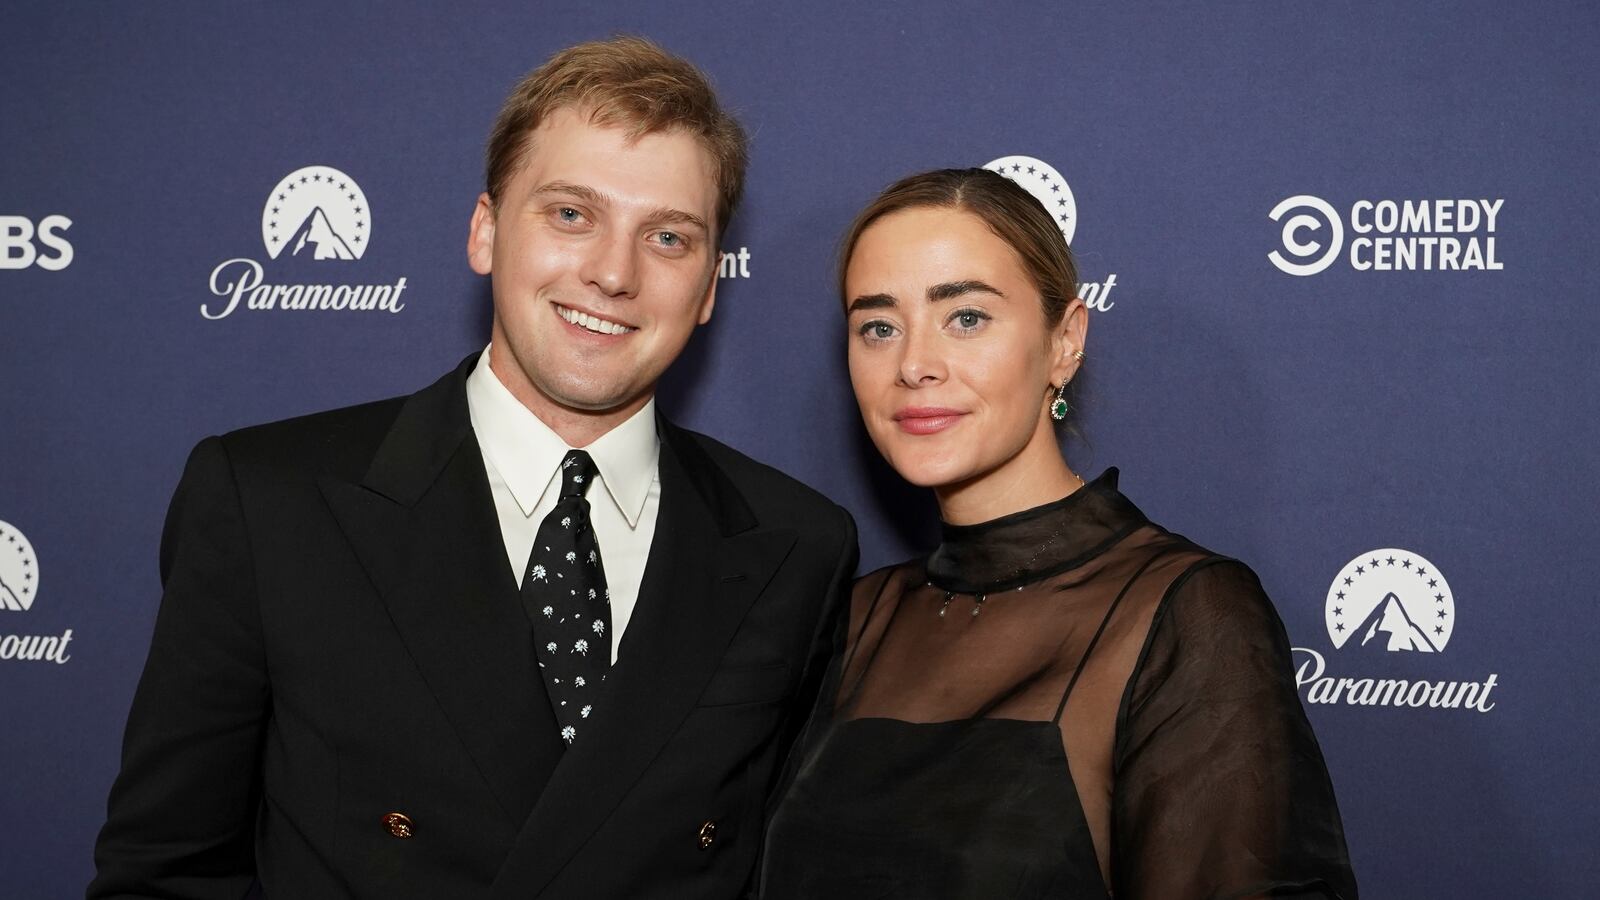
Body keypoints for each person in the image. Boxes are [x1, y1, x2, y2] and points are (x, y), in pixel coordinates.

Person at [90, 37, 856, 900]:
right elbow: (166, 875)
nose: (612, 271)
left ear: (710, 285)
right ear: (486, 232)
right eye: (571, 214)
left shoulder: (796, 547)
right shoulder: (269, 500)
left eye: (669, 237)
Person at [760, 168, 1357, 899]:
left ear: (1065, 342)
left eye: (967, 317)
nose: (913, 365)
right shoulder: (859, 615)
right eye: (878, 327)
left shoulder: (1185, 614)